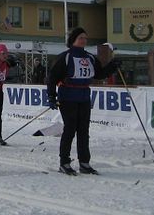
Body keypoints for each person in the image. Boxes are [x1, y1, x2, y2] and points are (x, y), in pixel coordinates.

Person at [47, 27, 119, 175]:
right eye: (81, 38)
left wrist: (113, 66)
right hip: (67, 97)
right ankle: (64, 162)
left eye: (85, 38)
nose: (84, 40)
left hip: (84, 97)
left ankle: (84, 163)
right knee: (70, 129)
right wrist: (51, 96)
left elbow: (99, 74)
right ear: (73, 40)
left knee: (84, 131)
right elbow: (52, 78)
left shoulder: (90, 57)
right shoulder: (65, 57)